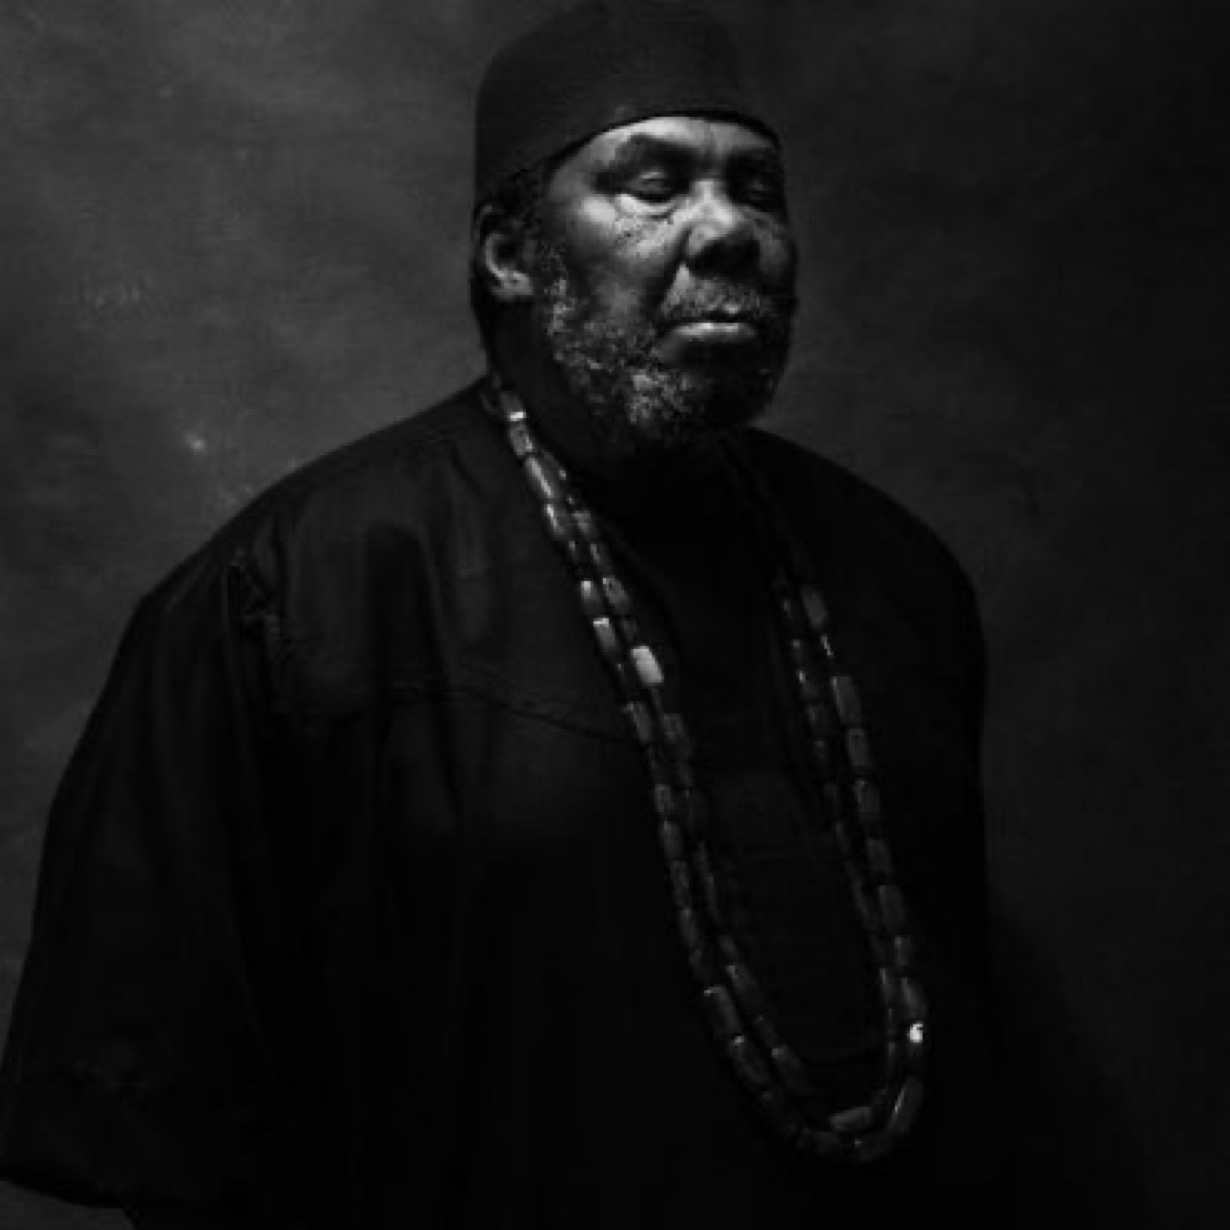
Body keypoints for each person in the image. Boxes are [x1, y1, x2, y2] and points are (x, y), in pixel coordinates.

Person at [0, 2, 1009, 1226]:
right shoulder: (294, 597)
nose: (729, 230)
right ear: (511, 255)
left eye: (758, 189)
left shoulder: (897, 580)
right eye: (653, 186)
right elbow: (175, 1120)